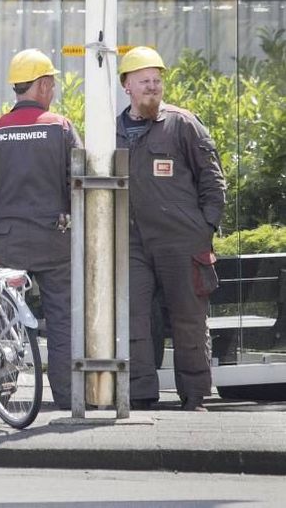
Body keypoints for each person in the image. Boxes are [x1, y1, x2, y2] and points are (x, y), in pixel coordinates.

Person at [0, 49, 82, 410]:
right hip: (54, 240)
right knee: (62, 321)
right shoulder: (60, 127)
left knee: (0, 321)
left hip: (6, 241)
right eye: (53, 83)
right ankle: (66, 397)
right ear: (43, 84)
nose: (54, 90)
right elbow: (79, 181)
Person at [116, 45, 225, 412]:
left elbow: (213, 179)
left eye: (157, 81)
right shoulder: (111, 130)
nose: (152, 87)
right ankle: (141, 395)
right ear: (126, 85)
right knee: (134, 318)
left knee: (188, 318)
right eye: (144, 81)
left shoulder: (183, 123)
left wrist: (204, 227)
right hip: (131, 242)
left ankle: (194, 396)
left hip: (182, 241)